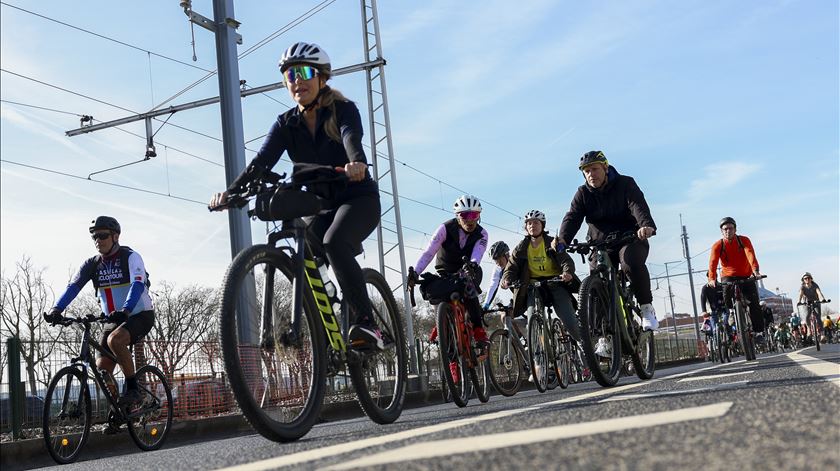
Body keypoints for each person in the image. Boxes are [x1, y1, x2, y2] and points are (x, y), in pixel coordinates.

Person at [209, 42, 382, 350]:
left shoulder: (343, 109)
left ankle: (367, 323)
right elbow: (261, 162)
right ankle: (326, 325)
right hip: (321, 204)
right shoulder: (286, 123)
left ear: (322, 78)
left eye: (303, 72)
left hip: (357, 198)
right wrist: (231, 193)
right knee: (306, 256)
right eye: (290, 75)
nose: (296, 80)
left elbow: (350, 136)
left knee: (333, 242)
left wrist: (357, 162)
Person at [45, 216, 155, 430]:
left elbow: (137, 284)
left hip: (139, 314)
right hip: (111, 319)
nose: (98, 240)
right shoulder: (92, 264)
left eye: (103, 235)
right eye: (94, 236)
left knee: (116, 340)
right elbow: (73, 287)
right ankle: (120, 413)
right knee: (102, 371)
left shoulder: (131, 257)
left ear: (115, 236)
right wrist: (56, 309)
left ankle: (133, 388)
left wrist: (126, 309)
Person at [555, 150, 658, 330]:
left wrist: (645, 225)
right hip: (600, 243)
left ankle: (646, 308)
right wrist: (563, 239)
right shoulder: (582, 193)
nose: (591, 174)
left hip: (629, 238)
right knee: (596, 283)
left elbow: (637, 205)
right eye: (586, 171)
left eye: (594, 169)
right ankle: (602, 333)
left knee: (630, 264)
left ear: (605, 168)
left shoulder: (625, 183)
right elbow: (572, 217)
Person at [407, 195, 490, 380]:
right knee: (441, 299)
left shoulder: (482, 234)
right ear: (458, 215)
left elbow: (478, 253)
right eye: (465, 215)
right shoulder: (445, 228)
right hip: (445, 272)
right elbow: (429, 252)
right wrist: (416, 273)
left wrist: (473, 265)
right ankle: (451, 357)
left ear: (479, 215)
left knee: (469, 286)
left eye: (474, 215)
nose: (470, 219)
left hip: (469, 269)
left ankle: (478, 329)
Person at [501, 210, 581, 342]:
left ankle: (584, 349)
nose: (532, 226)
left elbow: (566, 260)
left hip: (555, 283)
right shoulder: (521, 248)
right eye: (529, 223)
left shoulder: (552, 243)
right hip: (534, 287)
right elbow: (511, 267)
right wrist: (506, 279)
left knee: (569, 321)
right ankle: (540, 359)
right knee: (533, 321)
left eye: (536, 223)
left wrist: (567, 273)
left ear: (542, 225)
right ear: (526, 227)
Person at [707, 217, 765, 341]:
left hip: (746, 275)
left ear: (735, 229)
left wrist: (756, 271)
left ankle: (759, 332)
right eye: (725, 229)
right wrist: (712, 279)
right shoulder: (718, 245)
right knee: (727, 294)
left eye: (730, 228)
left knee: (754, 302)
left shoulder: (743, 240)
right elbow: (713, 263)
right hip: (728, 276)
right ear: (721, 231)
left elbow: (750, 254)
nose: (728, 231)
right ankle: (732, 312)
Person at [700, 272, 729, 340]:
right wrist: (704, 311)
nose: (711, 278)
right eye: (709, 276)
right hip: (712, 310)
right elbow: (703, 299)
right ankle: (717, 344)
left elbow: (726, 296)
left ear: (716, 277)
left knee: (726, 322)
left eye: (713, 276)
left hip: (723, 308)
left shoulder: (721, 286)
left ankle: (729, 334)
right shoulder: (705, 288)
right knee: (715, 329)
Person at [482, 241, 510, 311]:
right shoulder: (497, 269)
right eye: (495, 260)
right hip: (517, 296)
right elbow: (493, 286)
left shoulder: (516, 262)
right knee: (505, 314)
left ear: (506, 255)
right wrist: (486, 304)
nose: (498, 263)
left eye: (499, 259)